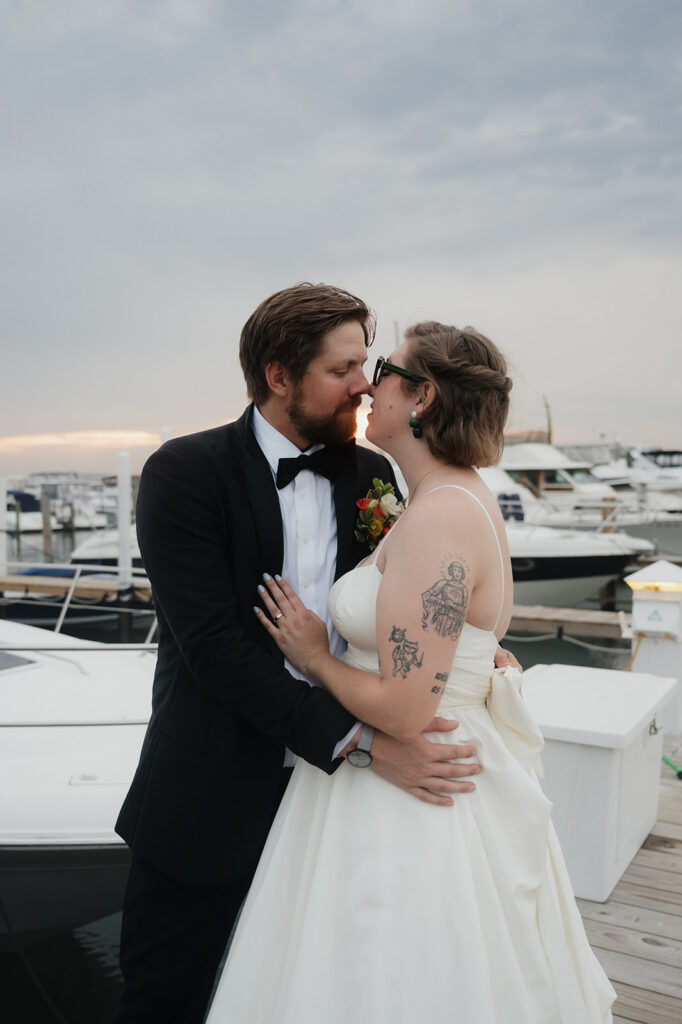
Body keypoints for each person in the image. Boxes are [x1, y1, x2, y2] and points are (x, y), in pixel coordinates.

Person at [113, 286, 514, 1024]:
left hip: (340, 815)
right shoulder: (183, 474)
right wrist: (359, 741)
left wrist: (477, 647)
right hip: (210, 797)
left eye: (368, 364)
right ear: (278, 377)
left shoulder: (372, 477)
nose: (364, 383)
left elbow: (409, 598)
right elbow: (214, 651)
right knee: (166, 1001)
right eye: (344, 368)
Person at [206, 321, 616, 1023]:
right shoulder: (447, 498)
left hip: (413, 787)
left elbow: (402, 712)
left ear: (422, 396)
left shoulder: (439, 518)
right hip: (421, 769)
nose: (369, 385)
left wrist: (313, 657)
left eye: (385, 371)